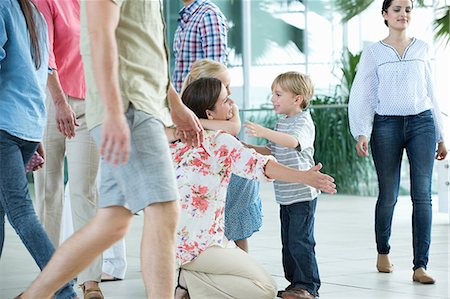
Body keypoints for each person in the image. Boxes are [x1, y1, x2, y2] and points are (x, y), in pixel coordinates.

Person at [17, 1, 203, 298]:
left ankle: (35, 295)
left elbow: (142, 47)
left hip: (137, 104)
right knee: (164, 210)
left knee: (111, 222)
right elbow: (100, 36)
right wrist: (115, 112)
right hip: (127, 106)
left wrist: (175, 104)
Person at [168, 77, 336, 299]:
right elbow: (263, 166)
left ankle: (184, 279)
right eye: (226, 100)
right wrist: (304, 177)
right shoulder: (219, 141)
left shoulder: (175, 141)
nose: (232, 104)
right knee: (264, 288)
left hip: (167, 244)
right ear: (209, 114)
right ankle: (187, 280)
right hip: (201, 246)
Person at [348, 0, 447, 285]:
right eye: (397, 9)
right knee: (389, 193)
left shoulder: (423, 48)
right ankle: (383, 251)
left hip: (422, 124)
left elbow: (432, 92)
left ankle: (420, 266)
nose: (403, 14)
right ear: (385, 15)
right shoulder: (374, 52)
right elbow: (362, 93)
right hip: (386, 125)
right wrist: (362, 131)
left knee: (422, 196)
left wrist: (441, 134)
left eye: (408, 9)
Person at [0, 1, 77, 298]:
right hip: (27, 126)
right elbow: (38, 73)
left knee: (19, 210)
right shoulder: (34, 13)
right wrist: (33, 134)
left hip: (5, 126)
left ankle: (63, 287)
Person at [32, 1, 103, 297]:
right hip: (50, 102)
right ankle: (52, 279)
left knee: (84, 192)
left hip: (89, 105)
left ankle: (90, 281)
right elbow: (44, 52)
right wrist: (60, 103)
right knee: (48, 192)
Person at [245, 71, 322, 299]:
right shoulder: (281, 123)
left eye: (278, 94)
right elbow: (272, 151)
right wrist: (245, 146)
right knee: (288, 243)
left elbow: (292, 142)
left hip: (302, 194)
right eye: (272, 94)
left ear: (297, 99)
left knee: (301, 241)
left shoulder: (303, 122)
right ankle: (295, 284)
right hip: (285, 195)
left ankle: (308, 287)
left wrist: (264, 131)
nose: (272, 99)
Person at [182, 59, 262, 252]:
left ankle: (242, 267)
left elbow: (234, 127)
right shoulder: (185, 111)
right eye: (225, 86)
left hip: (236, 179)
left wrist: (198, 121)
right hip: (214, 180)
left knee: (237, 228)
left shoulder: (227, 108)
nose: (230, 93)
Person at [172, 0, 228, 92]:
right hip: (182, 101)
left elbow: (216, 73)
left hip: (198, 103)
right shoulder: (186, 16)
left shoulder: (209, 15)